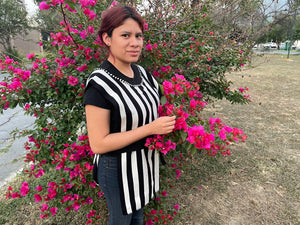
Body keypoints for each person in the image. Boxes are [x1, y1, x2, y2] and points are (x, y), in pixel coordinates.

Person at [83, 4, 176, 225]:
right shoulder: (99, 84)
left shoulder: (142, 73)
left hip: (143, 164)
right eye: (125, 35)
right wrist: (151, 129)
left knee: (138, 216)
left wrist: (177, 108)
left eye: (139, 36)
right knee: (121, 220)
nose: (135, 43)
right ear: (107, 38)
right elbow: (98, 144)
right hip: (116, 169)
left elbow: (161, 100)